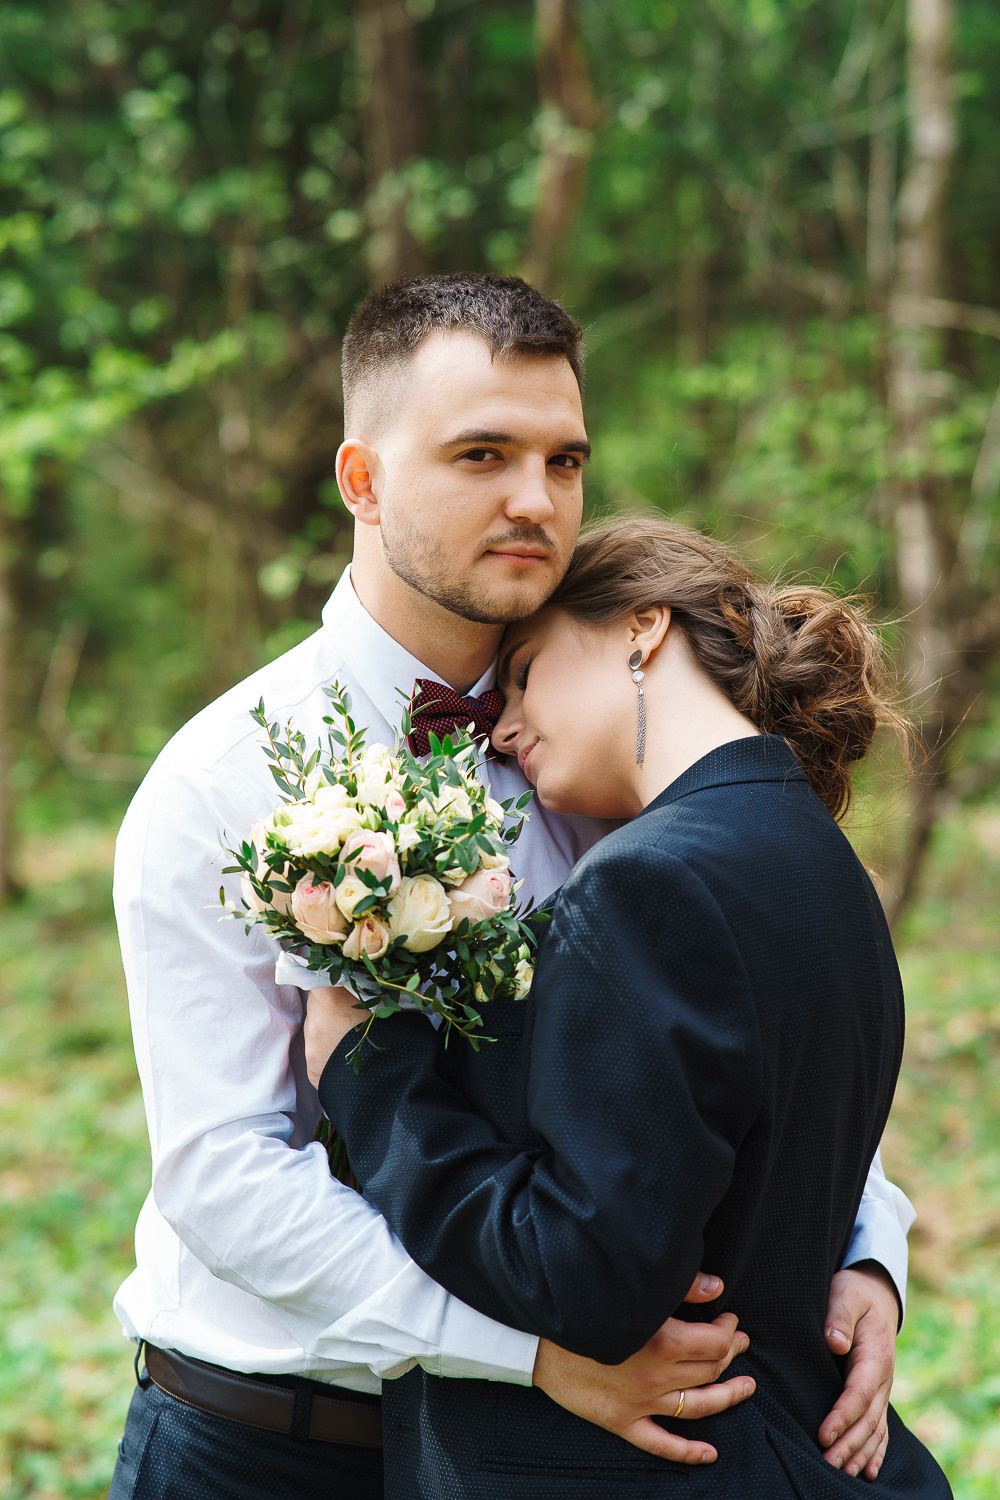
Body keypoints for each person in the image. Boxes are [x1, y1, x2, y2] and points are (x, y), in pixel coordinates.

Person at [108, 275, 912, 1499]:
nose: (535, 501)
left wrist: (863, 1249)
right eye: (481, 454)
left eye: (564, 460)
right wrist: (527, 1352)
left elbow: (731, 1049)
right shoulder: (220, 779)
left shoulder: (625, 759)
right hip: (270, 1444)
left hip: (554, 1461)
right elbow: (225, 1173)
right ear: (363, 480)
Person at [306, 516, 952, 1499]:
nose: (500, 724)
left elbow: (588, 1279)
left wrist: (371, 1076)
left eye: (522, 673)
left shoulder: (647, 885)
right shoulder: (816, 856)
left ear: (641, 629)